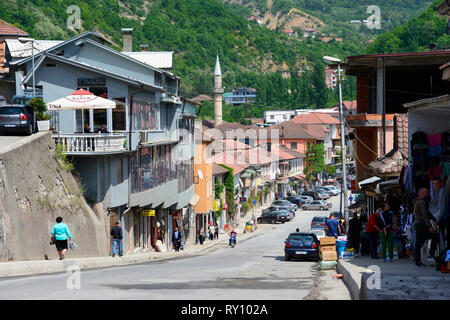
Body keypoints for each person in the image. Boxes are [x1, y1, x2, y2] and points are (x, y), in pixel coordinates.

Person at [413, 188, 439, 267]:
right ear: (422, 193)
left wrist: (435, 220)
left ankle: (419, 261)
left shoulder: (422, 202)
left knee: (419, 244)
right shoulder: (420, 202)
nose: (428, 193)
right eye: (427, 192)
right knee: (433, 237)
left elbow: (428, 213)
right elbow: (425, 215)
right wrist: (430, 226)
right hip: (421, 225)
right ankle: (429, 256)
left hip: (421, 225)